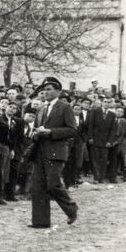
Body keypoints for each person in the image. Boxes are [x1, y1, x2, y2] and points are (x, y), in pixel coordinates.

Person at [29, 76, 78, 228]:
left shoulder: (65, 107)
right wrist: (35, 133)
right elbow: (36, 128)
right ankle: (40, 221)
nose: (46, 92)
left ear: (58, 91)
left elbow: (72, 130)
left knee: (53, 184)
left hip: (56, 152)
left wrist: (50, 132)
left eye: (49, 89)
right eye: (44, 90)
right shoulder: (41, 108)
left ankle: (71, 208)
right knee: (38, 186)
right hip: (40, 151)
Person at [86, 96, 117, 183]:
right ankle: (96, 177)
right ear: (102, 103)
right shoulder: (95, 111)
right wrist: (90, 137)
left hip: (105, 141)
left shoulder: (112, 114)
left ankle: (102, 177)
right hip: (95, 139)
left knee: (104, 159)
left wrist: (109, 141)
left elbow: (113, 130)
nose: (106, 104)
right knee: (95, 159)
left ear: (110, 104)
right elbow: (90, 125)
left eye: (108, 102)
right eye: (105, 102)